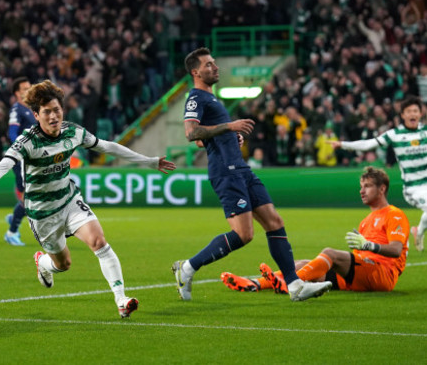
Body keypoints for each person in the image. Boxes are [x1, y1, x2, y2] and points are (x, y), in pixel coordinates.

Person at [0, 80, 176, 318]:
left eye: (57, 110)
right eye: (47, 112)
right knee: (64, 264)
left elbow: (107, 147)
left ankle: (121, 300)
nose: (53, 116)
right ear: (36, 115)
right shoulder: (28, 142)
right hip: (42, 213)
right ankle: (43, 264)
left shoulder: (73, 131)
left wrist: (150, 161)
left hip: (69, 201)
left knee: (99, 242)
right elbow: (4, 164)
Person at [172, 47, 332, 302]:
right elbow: (191, 133)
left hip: (241, 169)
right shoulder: (196, 98)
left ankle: (295, 285)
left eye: (214, 63)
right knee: (244, 235)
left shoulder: (213, 99)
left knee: (274, 220)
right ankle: (188, 267)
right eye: (209, 65)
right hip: (226, 171)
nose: (215, 67)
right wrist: (230, 126)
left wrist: (228, 136)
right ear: (195, 72)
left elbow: (204, 141)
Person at [221, 166, 409, 293]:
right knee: (302, 263)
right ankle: (255, 284)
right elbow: (358, 260)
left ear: (382, 189)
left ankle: (291, 284)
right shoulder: (366, 220)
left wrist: (369, 245)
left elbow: (396, 250)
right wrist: (365, 247)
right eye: (361, 186)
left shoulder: (394, 214)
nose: (361, 191)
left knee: (330, 253)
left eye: (367, 186)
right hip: (361, 273)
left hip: (382, 274)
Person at [329, 95, 427, 251]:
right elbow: (369, 144)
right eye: (408, 111)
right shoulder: (394, 134)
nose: (412, 114)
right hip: (413, 188)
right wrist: (343, 144)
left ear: (420, 114)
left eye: (416, 111)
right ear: (402, 115)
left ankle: (418, 231)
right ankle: (419, 232)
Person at [3, 77, 34, 246]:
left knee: (32, 197)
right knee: (28, 198)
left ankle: (15, 217)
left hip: (33, 159)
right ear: (17, 93)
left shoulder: (32, 109)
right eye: (24, 88)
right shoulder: (17, 109)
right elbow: (12, 132)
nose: (28, 90)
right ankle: (12, 231)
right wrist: (20, 148)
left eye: (30, 87)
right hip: (22, 159)